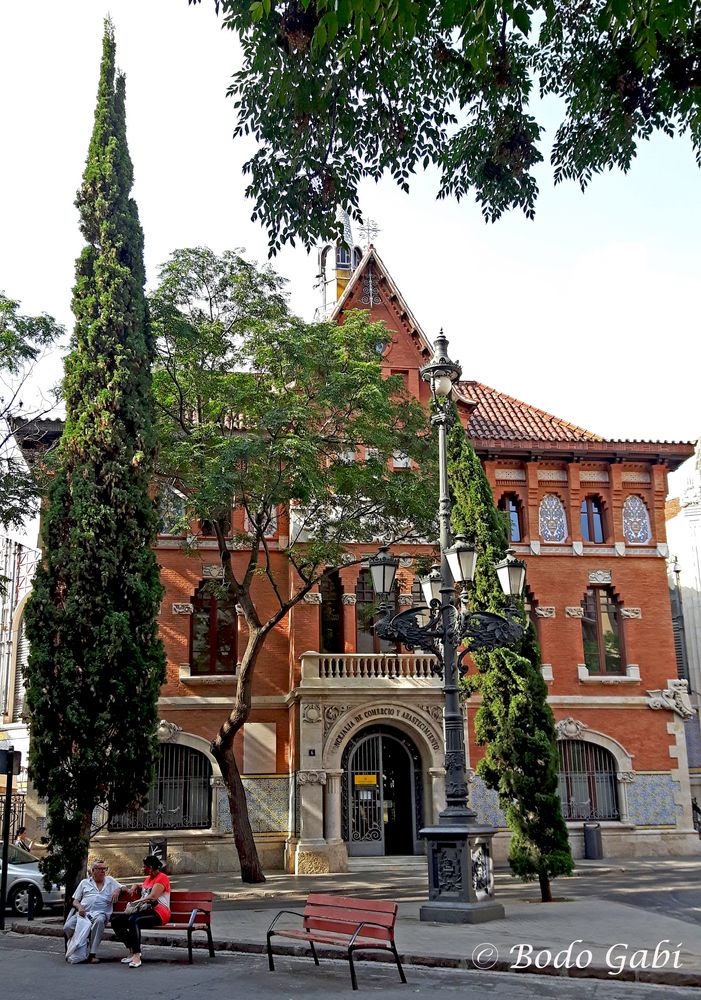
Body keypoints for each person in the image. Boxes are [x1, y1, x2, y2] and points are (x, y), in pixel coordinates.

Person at [110, 854, 171, 969]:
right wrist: (134, 887)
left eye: (144, 867)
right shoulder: (148, 879)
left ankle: (137, 956)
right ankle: (132, 951)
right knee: (116, 921)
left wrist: (135, 903)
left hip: (159, 913)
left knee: (134, 920)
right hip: (144, 911)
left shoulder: (162, 878)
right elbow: (140, 885)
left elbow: (153, 897)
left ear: (151, 867)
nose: (142, 869)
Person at [64, 859, 124, 963]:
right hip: (84, 914)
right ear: (93, 871)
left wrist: (118, 890)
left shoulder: (110, 881)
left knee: (99, 921)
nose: (103, 871)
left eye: (104, 869)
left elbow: (125, 888)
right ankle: (79, 942)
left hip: (100, 914)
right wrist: (80, 907)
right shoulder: (84, 883)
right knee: (67, 926)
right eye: (100, 869)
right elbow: (75, 901)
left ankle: (92, 954)